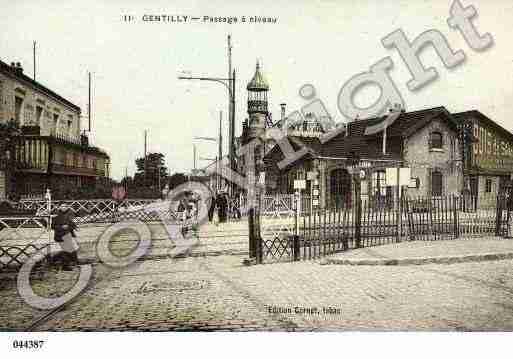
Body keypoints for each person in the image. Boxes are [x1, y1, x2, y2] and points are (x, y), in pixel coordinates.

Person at [52, 205, 79, 271]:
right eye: (62, 206)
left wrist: (71, 227)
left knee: (72, 249)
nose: (64, 207)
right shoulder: (56, 215)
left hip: (68, 235)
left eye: (66, 206)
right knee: (66, 250)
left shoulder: (70, 214)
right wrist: (61, 227)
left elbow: (73, 225)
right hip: (60, 235)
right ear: (59, 207)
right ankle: (64, 265)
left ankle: (71, 263)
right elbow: (52, 226)